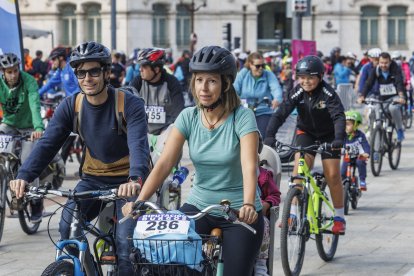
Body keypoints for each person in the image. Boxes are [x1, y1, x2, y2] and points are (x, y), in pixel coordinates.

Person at [9, 41, 150, 274]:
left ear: (106, 73)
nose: (87, 78)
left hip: (128, 183)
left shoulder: (129, 104)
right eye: (81, 72)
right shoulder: (71, 105)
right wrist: (24, 176)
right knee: (68, 229)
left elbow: (138, 146)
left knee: (126, 245)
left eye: (94, 71)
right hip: (92, 180)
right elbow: (47, 144)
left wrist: (135, 179)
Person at [122, 45, 264, 276]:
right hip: (200, 205)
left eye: (211, 81)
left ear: (225, 84)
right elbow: (165, 162)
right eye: (199, 80)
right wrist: (140, 200)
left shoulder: (242, 116)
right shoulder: (188, 116)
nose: (203, 88)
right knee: (170, 262)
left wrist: (248, 204)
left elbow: (250, 165)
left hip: (239, 212)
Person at [264, 55, 347, 234]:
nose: (306, 81)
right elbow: (281, 113)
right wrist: (269, 135)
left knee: (332, 174)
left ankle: (339, 216)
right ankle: (292, 215)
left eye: (310, 78)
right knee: (298, 173)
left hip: (329, 136)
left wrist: (339, 139)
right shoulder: (297, 92)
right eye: (302, 77)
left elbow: (339, 116)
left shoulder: (328, 94)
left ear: (320, 77)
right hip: (306, 133)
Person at [0, 52, 45, 222]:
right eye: (8, 71)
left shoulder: (29, 81)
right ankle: (5, 181)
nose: (12, 75)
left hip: (29, 127)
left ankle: (36, 202)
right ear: (3, 72)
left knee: (28, 160)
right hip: (9, 124)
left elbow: (34, 104)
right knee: (2, 152)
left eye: (15, 71)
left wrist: (38, 127)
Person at [130, 48, 184, 135]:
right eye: (140, 66)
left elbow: (178, 113)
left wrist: (167, 132)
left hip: (166, 132)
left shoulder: (172, 83)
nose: (140, 69)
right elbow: (127, 106)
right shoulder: (137, 82)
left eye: (144, 66)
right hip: (142, 132)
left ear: (156, 69)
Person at [358, 52, 406, 142]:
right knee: (376, 111)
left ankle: (400, 129)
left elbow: (399, 83)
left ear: (390, 62)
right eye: (381, 63)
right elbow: (368, 83)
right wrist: (362, 96)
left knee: (393, 108)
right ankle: (378, 135)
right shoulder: (376, 70)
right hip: (381, 98)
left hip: (394, 97)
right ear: (379, 62)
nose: (383, 65)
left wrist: (401, 96)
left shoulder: (395, 69)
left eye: (386, 63)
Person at [233, 52, 283, 138]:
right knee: (241, 136)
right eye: (257, 66)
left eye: (262, 65)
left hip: (263, 110)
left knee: (262, 136)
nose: (261, 68)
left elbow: (276, 88)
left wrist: (277, 99)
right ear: (250, 65)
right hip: (244, 110)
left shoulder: (268, 74)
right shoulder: (243, 73)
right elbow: (234, 89)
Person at [255, 161, 281, 276]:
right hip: (234, 212)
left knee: (264, 224)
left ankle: (260, 266)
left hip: (257, 214)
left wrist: (267, 204)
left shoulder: (263, 175)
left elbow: (275, 195)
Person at [342, 110, 370, 191]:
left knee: (360, 162)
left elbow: (365, 145)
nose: (345, 126)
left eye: (348, 124)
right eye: (345, 124)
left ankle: (362, 180)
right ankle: (344, 183)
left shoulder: (360, 135)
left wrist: (366, 153)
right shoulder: (343, 135)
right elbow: (338, 143)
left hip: (358, 156)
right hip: (348, 156)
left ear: (355, 125)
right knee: (342, 171)